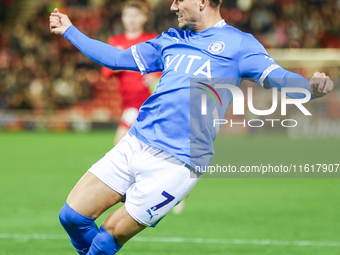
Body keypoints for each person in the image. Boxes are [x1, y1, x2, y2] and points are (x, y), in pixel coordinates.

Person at [49, 0, 334, 254]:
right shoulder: (170, 39)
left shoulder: (240, 44)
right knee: (71, 218)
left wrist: (309, 87)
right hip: (136, 142)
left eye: (178, 0)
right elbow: (115, 58)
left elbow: (279, 78)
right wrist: (70, 30)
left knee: (106, 240)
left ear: (202, 2)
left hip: (178, 162)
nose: (172, 7)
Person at [100, 1, 160, 145]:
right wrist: (119, 64)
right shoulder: (115, 41)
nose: (132, 19)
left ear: (144, 17)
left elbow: (168, 65)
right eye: (128, 15)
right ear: (122, 18)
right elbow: (106, 72)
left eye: (136, 15)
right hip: (128, 100)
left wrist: (156, 76)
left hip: (148, 100)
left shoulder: (153, 40)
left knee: (120, 144)